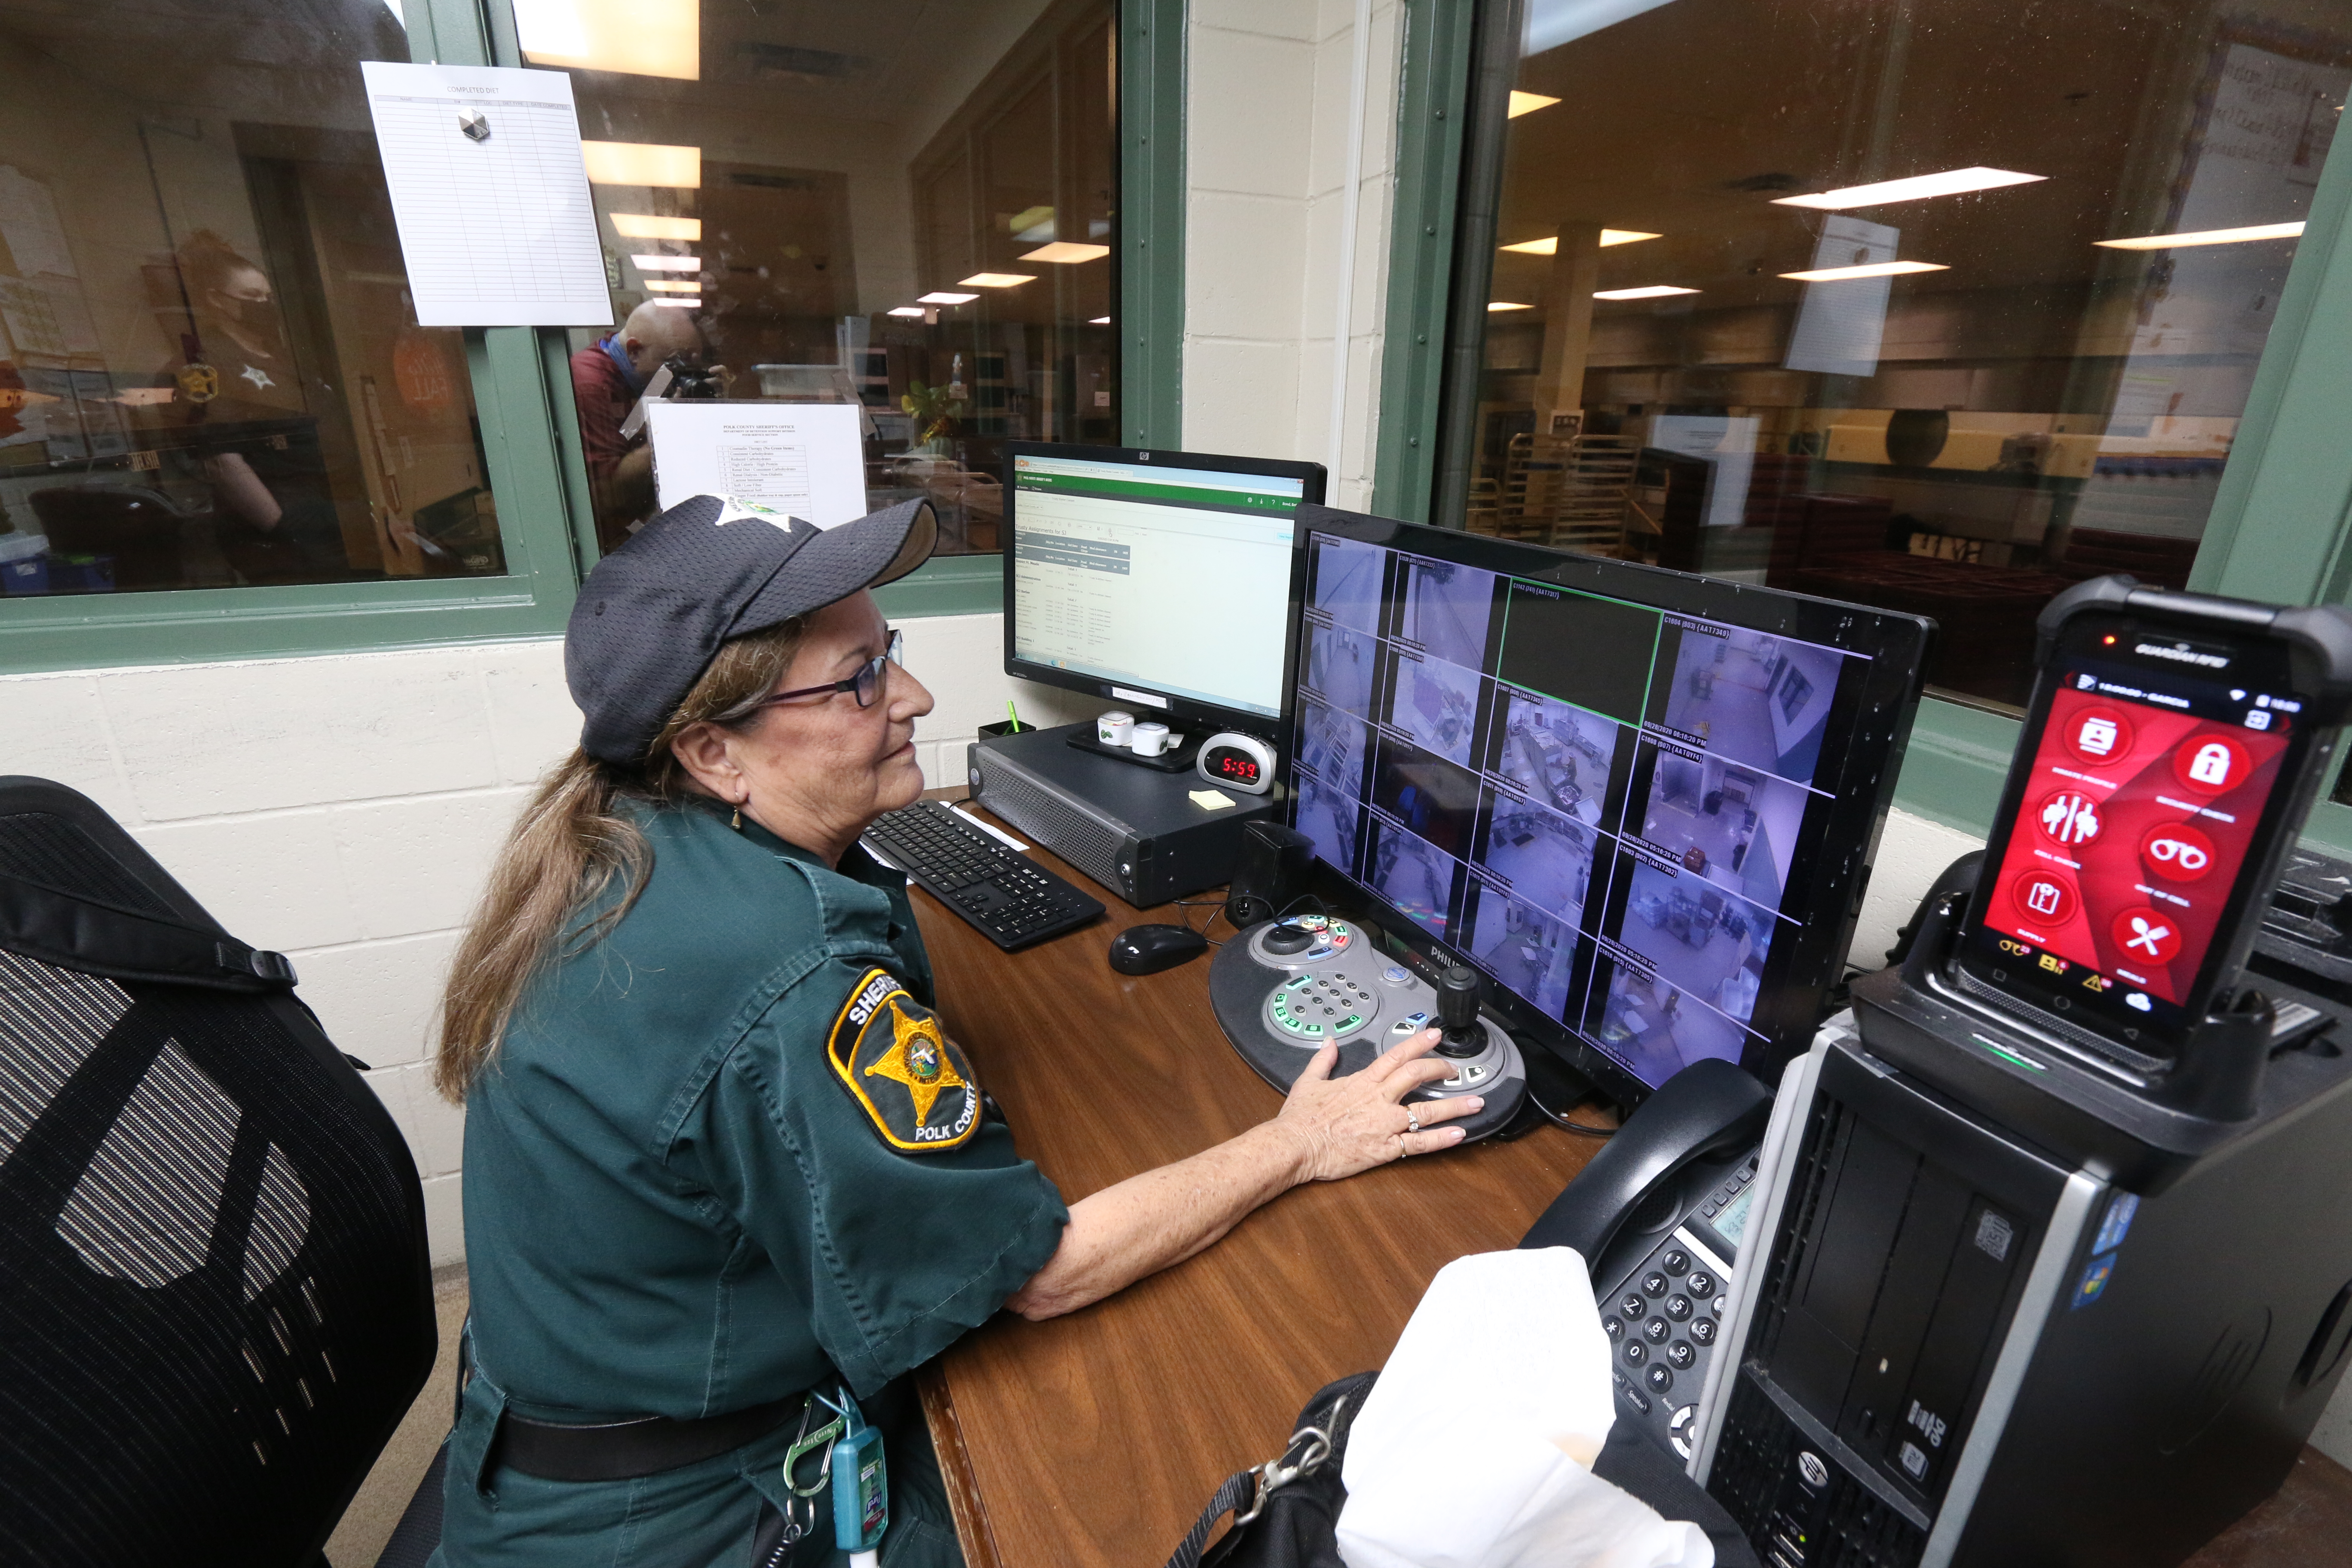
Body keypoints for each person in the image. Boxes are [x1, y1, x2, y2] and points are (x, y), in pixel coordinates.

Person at [429, 492, 1483, 1567]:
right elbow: (1043, 1273)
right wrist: (1300, 1141)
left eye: (887, 652)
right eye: (860, 679)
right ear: (712, 753)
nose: (915, 697)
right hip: (687, 1508)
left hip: (572, 1418)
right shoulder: (785, 978)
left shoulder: (631, 840)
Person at [569, 300, 710, 550]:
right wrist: (671, 427)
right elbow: (607, 495)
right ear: (634, 351)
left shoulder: (636, 368)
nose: (680, 377)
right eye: (676, 365)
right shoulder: (590, 384)